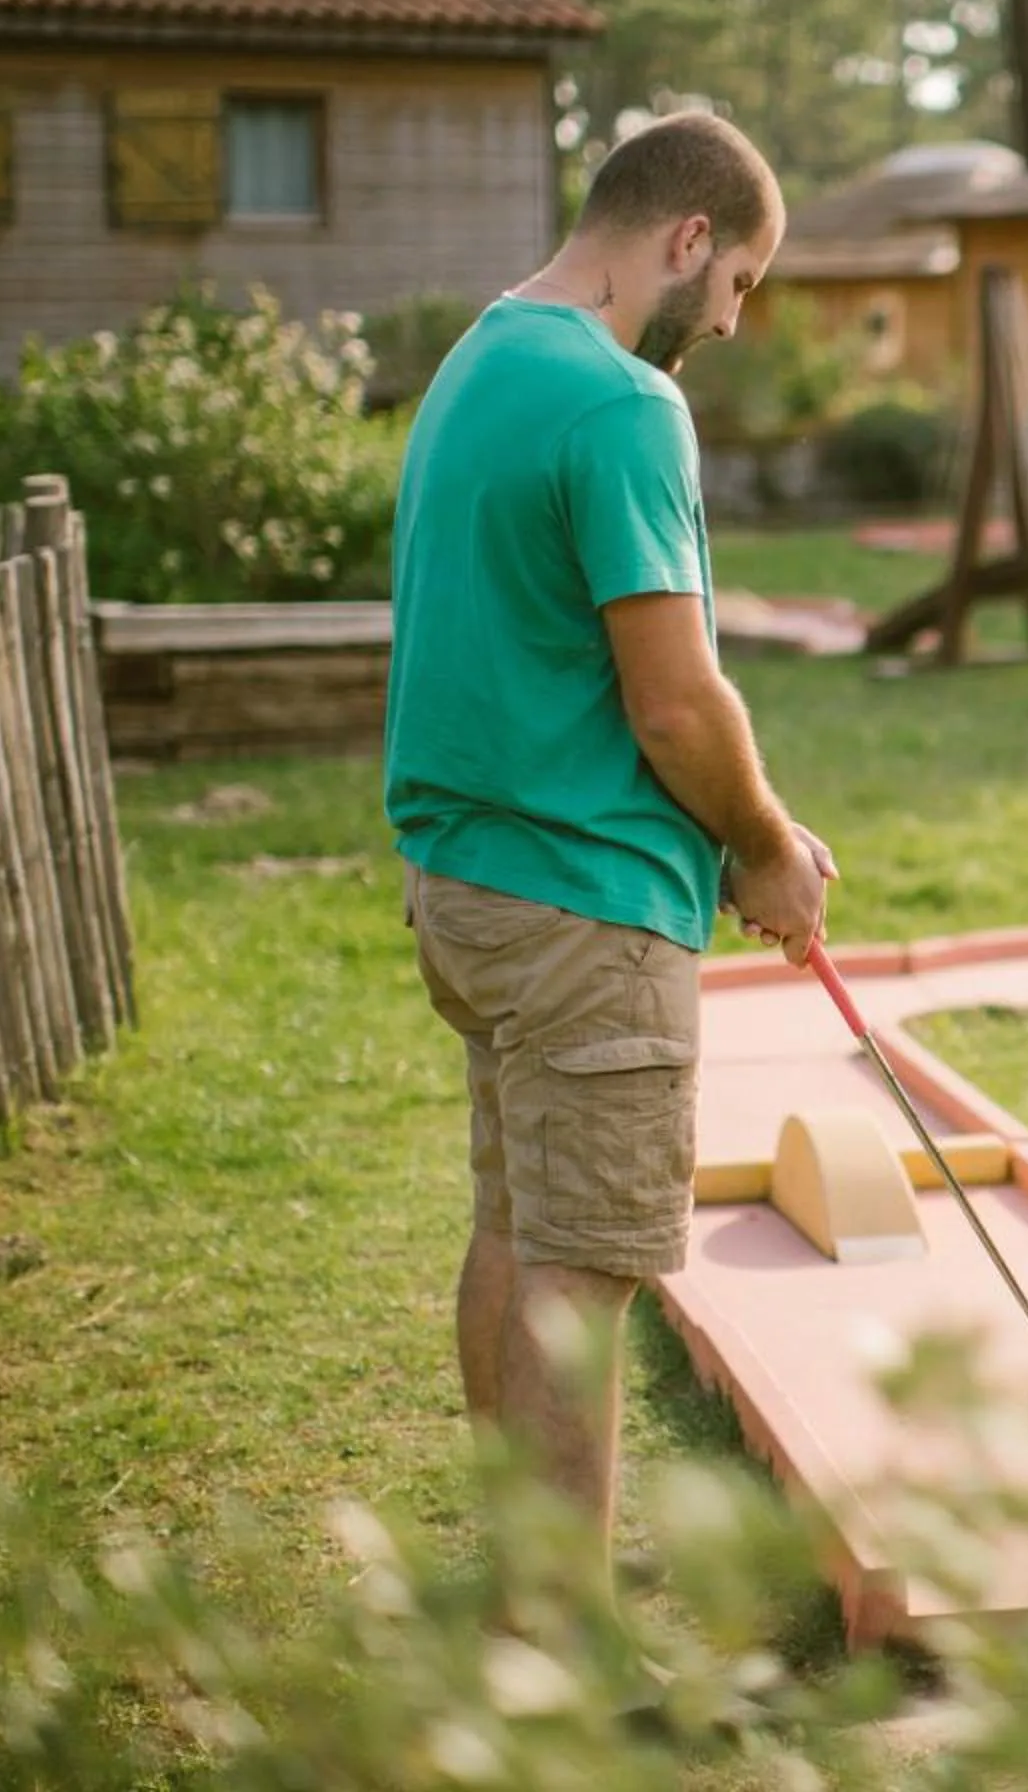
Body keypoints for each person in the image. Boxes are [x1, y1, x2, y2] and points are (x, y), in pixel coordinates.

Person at [383, 111, 833, 1576]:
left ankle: (519, 1593)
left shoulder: (480, 360)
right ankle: (559, 1644)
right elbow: (674, 702)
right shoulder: (623, 403)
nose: (736, 319)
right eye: (742, 280)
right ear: (689, 238)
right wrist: (763, 845)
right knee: (582, 1279)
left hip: (467, 888)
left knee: (517, 1236)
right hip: (583, 912)